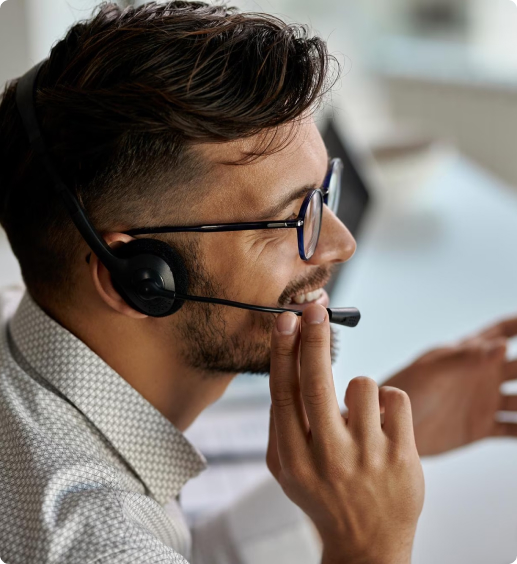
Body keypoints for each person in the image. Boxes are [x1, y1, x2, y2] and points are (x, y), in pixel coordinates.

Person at [0, 2, 516, 563]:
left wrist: (356, 467)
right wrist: (370, 545)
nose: (342, 244)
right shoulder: (96, 545)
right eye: (295, 218)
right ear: (138, 279)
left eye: (324, 194)